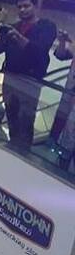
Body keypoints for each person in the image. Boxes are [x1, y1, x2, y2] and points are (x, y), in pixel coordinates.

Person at [0, 0, 57, 151]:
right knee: (11, 114)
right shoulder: (14, 26)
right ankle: (13, 145)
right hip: (10, 78)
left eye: (26, 6)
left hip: (30, 80)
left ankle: (24, 151)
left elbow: (38, 52)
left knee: (26, 117)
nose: (22, 10)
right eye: (19, 7)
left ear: (35, 6)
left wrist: (17, 37)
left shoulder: (46, 27)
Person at [50, 28, 75, 169]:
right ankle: (62, 164)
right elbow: (60, 55)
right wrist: (62, 41)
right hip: (69, 97)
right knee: (66, 133)